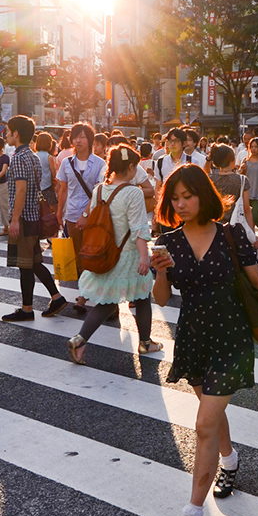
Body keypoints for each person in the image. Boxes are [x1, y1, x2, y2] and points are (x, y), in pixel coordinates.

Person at [151, 165, 258, 516]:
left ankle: (192, 515)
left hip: (231, 336)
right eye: (174, 198)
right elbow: (161, 299)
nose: (180, 204)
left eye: (187, 196)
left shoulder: (232, 234)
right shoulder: (170, 241)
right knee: (211, 411)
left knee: (205, 421)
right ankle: (229, 460)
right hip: (194, 336)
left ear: (203, 195)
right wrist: (160, 270)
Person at [66, 145, 161, 362]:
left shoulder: (100, 188)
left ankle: (80, 339)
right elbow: (138, 228)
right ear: (130, 167)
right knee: (143, 295)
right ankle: (145, 343)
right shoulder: (133, 192)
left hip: (107, 253)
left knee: (107, 302)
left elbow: (90, 213)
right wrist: (144, 256)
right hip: (129, 255)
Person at [1, 116, 69, 322]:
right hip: (33, 217)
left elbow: (20, 191)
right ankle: (55, 298)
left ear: (16, 134)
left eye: (8, 131)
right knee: (33, 262)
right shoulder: (32, 157)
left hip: (24, 218)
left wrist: (14, 220)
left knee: (26, 264)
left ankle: (28, 308)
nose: (6, 135)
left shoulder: (20, 158)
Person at [56, 123, 106, 310]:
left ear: (90, 140)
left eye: (83, 136)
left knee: (93, 253)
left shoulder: (101, 164)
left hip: (94, 216)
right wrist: (59, 213)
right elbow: (63, 189)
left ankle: (90, 294)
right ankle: (85, 292)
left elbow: (99, 192)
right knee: (79, 256)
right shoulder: (66, 163)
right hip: (72, 214)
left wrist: (86, 213)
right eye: (76, 136)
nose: (78, 140)